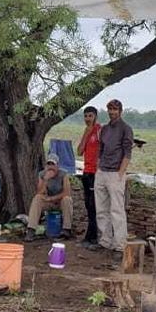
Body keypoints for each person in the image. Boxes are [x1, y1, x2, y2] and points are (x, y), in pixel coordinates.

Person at [94, 99, 133, 263]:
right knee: (101, 209)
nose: (112, 112)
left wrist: (120, 174)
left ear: (120, 111)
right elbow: (101, 150)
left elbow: (127, 153)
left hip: (116, 173)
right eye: (110, 109)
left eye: (115, 109)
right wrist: (98, 168)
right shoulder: (104, 129)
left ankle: (119, 245)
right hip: (102, 172)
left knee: (117, 210)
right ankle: (105, 241)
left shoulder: (125, 129)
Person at [26, 154, 73, 241]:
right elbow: (40, 192)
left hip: (60, 202)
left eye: (53, 164)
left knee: (67, 199)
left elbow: (67, 192)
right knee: (37, 198)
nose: (51, 167)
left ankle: (66, 229)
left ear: (57, 166)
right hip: (49, 203)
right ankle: (31, 230)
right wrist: (46, 179)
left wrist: (52, 198)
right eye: (49, 164)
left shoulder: (64, 174)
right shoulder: (42, 174)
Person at [75, 106, 102, 250]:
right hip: (86, 172)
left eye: (90, 116)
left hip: (95, 173)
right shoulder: (87, 131)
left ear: (96, 116)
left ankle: (94, 238)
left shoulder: (99, 130)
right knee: (88, 205)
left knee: (93, 206)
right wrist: (86, 134)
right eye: (85, 116)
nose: (87, 119)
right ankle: (89, 237)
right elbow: (79, 151)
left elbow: (103, 149)